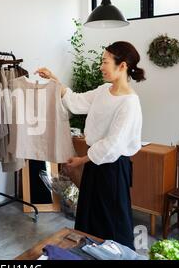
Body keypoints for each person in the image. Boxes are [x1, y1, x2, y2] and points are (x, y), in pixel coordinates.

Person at [35, 41, 146, 249]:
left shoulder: (129, 103)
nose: (101, 66)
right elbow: (76, 102)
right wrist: (54, 79)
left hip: (113, 169)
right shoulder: (104, 91)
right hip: (96, 165)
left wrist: (81, 161)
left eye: (105, 61)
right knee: (89, 216)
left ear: (122, 66)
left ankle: (115, 254)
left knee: (111, 221)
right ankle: (89, 252)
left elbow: (112, 146)